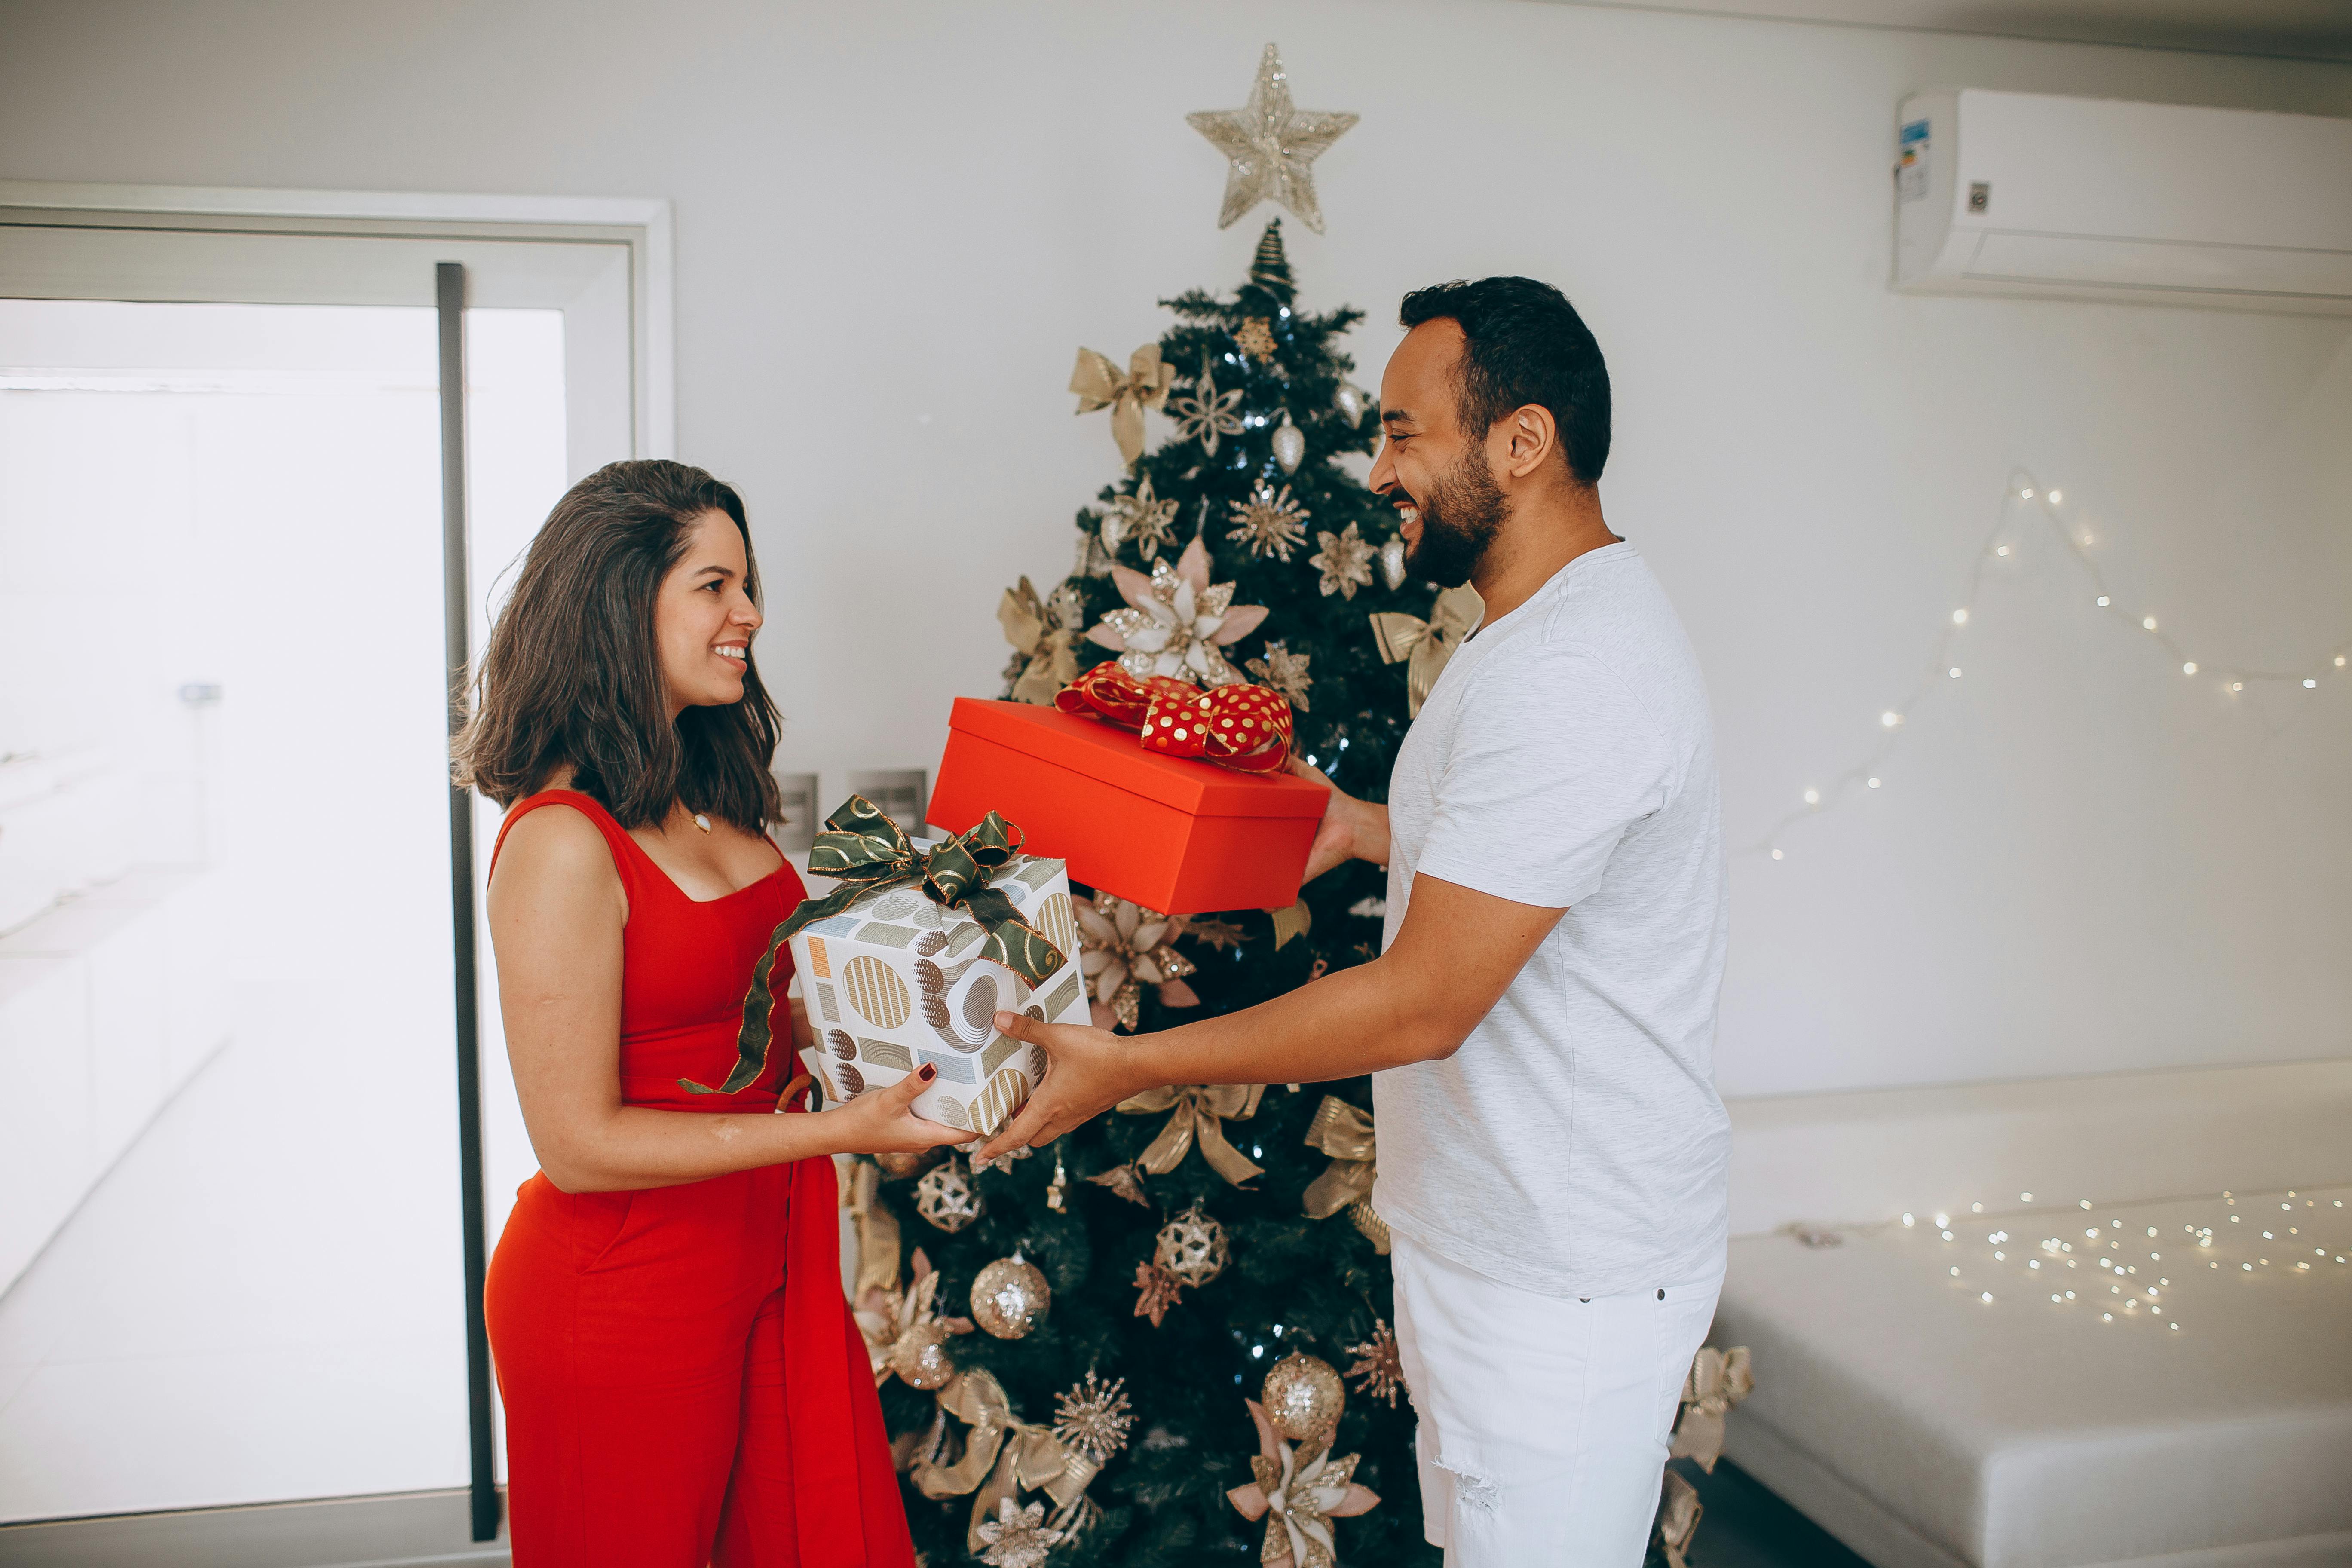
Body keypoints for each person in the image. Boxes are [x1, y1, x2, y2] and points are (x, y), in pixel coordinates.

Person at [982, 279, 1730, 1565]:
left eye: (1401, 432)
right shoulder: (1535, 635)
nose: (1376, 468)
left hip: (1562, 1281)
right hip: (1499, 1246)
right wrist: (1366, 827)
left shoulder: (1576, 669)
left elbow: (1427, 1002)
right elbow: (1536, 866)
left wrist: (1133, 1068)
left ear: (1522, 442)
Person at [457, 459, 961, 1568]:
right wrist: (842, 1131)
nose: (750, 615)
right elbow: (577, 1148)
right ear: (618, 603)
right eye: (715, 585)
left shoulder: (715, 793)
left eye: (750, 585)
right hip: (626, 1298)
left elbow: (777, 1022)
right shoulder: (559, 841)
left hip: (773, 1263)